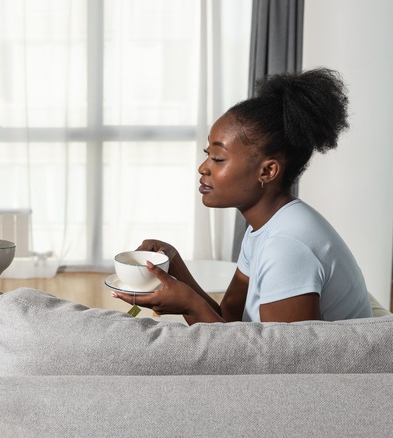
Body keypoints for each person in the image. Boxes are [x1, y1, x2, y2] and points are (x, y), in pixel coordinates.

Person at [113, 68, 372, 324]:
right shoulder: (264, 228)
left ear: (268, 171)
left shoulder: (286, 246)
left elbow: (283, 364)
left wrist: (189, 304)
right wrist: (176, 268)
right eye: (207, 154)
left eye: (217, 158)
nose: (203, 168)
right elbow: (230, 320)